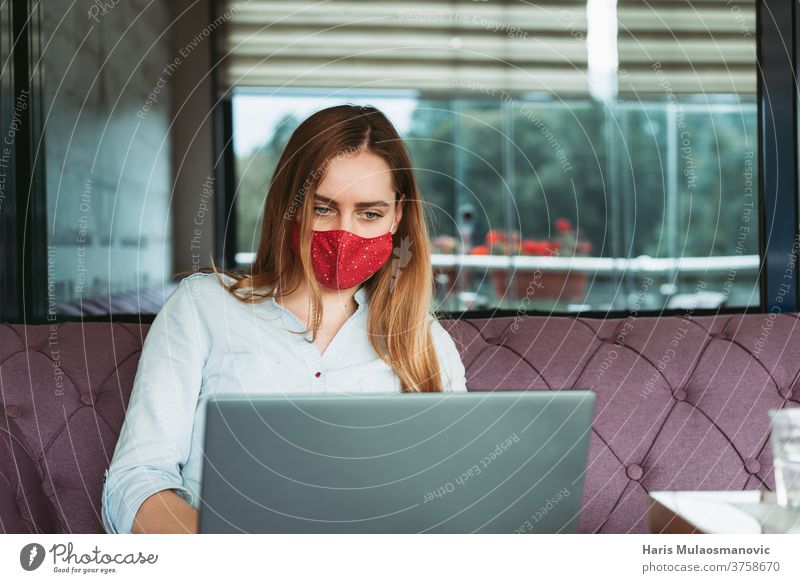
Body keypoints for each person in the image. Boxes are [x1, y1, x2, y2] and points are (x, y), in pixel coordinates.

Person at [100, 104, 468, 534]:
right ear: (290, 207)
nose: (345, 234)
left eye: (370, 214)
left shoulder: (425, 342)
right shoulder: (201, 309)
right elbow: (136, 480)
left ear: (397, 216)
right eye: (323, 208)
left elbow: (456, 498)